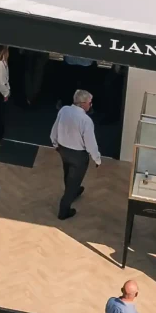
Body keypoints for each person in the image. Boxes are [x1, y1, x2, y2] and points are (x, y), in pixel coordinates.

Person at [52, 89, 104, 218]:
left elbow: (55, 128)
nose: (91, 105)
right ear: (83, 103)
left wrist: (55, 143)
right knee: (74, 180)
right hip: (78, 156)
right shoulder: (86, 120)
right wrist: (97, 159)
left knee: (68, 173)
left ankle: (72, 192)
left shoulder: (64, 110)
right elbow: (90, 143)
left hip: (63, 150)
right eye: (90, 103)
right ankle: (64, 211)